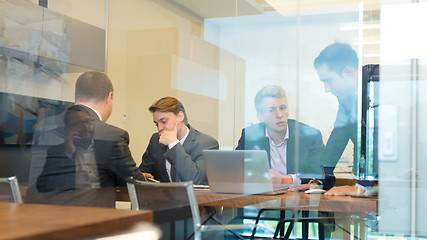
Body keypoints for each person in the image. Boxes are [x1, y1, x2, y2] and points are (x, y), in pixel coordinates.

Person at [36, 71, 145, 192]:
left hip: (44, 209)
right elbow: (137, 186)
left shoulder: (45, 128)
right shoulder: (113, 136)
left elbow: (40, 184)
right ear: (109, 97)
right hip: (93, 210)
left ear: (75, 97)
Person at [313, 42, 375, 196]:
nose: (326, 89)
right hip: (364, 181)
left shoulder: (377, 87)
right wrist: (318, 181)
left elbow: (378, 143)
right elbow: (338, 138)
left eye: (328, 80)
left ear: (348, 72)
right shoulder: (347, 99)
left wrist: (362, 187)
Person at [236, 85, 325, 185]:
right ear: (260, 116)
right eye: (271, 110)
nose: (279, 115)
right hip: (262, 197)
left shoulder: (310, 136)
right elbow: (234, 171)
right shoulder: (250, 136)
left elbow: (324, 177)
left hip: (298, 198)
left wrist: (286, 180)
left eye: (282, 108)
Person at [139, 97, 219, 185]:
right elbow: (144, 171)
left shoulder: (207, 144)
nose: (159, 128)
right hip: (161, 197)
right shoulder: (156, 140)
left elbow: (196, 180)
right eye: (156, 124)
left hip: (193, 198)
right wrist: (143, 175)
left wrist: (173, 144)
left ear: (180, 116)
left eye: (164, 122)